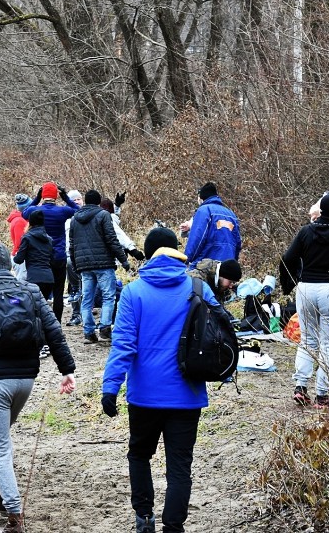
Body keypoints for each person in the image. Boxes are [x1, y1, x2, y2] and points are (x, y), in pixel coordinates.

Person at [101, 227, 215, 533]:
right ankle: (173, 526)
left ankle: (145, 518)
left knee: (139, 454)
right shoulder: (199, 288)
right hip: (188, 394)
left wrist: (110, 388)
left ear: (149, 254)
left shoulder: (133, 292)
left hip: (144, 396)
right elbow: (219, 332)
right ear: (176, 252)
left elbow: (123, 344)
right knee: (180, 466)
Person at [0, 243, 76, 533]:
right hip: (27, 379)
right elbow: (54, 331)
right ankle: (1, 495)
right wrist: (67, 370)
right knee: (2, 437)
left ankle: (14, 518)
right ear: (11, 266)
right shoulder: (32, 291)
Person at [279, 194, 329, 408]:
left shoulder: (306, 231)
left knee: (308, 340)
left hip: (305, 288)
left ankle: (300, 387)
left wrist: (288, 284)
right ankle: (322, 395)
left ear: (320, 210)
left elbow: (288, 258)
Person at [68, 189, 130, 344]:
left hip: (84, 265)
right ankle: (104, 329)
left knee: (86, 298)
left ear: (86, 201)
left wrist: (76, 265)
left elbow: (72, 245)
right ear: (98, 202)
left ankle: (89, 332)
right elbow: (112, 240)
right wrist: (123, 260)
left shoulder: (75, 219)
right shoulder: (103, 215)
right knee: (108, 296)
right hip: (104, 264)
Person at [22, 181, 80, 322]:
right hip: (59, 256)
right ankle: (56, 323)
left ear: (43, 195)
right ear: (55, 196)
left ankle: (41, 322)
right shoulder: (62, 211)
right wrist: (65, 197)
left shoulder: (35, 211)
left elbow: (24, 213)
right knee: (58, 293)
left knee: (40, 293)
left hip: (40, 257)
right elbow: (78, 210)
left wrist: (37, 198)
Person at [13, 209, 54, 360]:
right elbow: (52, 257)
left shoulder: (28, 237)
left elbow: (19, 259)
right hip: (48, 278)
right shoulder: (49, 239)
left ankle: (40, 345)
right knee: (44, 313)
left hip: (34, 279)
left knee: (33, 313)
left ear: (30, 222)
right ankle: (48, 343)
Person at [181, 182, 242, 268]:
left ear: (201, 198)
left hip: (207, 265)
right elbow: (238, 243)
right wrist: (232, 265)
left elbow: (197, 239)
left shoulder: (204, 210)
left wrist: (186, 259)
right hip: (226, 267)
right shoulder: (231, 215)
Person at [64, 189, 83, 326]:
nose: (77, 202)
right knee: (74, 287)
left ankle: (84, 313)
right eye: (74, 200)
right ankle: (76, 314)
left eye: (79, 199)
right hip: (69, 256)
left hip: (86, 256)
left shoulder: (87, 215)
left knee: (85, 287)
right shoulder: (65, 218)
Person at [8, 193, 33, 281]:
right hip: (21, 257)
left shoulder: (21, 219)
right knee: (22, 281)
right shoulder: (19, 221)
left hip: (20, 256)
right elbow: (20, 243)